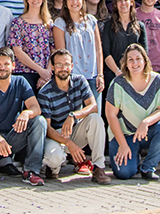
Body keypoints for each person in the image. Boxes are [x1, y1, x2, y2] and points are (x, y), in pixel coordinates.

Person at [0, 47, 48, 185]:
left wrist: (26, 113)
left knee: (40, 121)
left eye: (6, 64)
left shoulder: (20, 82)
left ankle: (31, 170)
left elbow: (36, 108)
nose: (2, 68)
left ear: (13, 66)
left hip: (13, 135)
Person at [38, 49, 111, 184]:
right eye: (59, 65)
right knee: (54, 158)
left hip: (74, 130)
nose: (63, 68)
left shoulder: (80, 81)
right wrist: (68, 143)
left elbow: (93, 106)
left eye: (66, 64)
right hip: (56, 135)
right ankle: (52, 168)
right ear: (52, 67)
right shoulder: (45, 92)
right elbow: (47, 128)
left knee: (95, 119)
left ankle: (99, 168)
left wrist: (73, 115)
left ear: (72, 66)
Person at [105, 44, 160, 180]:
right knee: (124, 173)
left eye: (138, 58)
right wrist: (123, 145)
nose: (135, 63)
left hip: (146, 132)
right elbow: (111, 115)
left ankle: (148, 167)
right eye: (130, 59)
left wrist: (146, 122)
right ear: (125, 63)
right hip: (124, 135)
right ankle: (133, 157)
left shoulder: (158, 80)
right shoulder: (118, 83)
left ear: (145, 61)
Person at [53, 0, 104, 101]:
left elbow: (98, 49)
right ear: (65, 2)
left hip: (93, 76)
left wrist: (100, 74)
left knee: (95, 115)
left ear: (83, 0)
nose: (74, 2)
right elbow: (61, 53)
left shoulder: (91, 21)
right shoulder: (60, 23)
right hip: (73, 77)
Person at [6, 0, 54, 90]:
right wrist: (40, 70)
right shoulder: (18, 22)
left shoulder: (49, 24)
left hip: (46, 76)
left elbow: (54, 50)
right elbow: (17, 51)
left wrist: (46, 73)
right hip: (24, 74)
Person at [101, 0, 147, 94]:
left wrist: (135, 72)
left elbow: (144, 54)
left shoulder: (140, 26)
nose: (123, 3)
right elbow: (106, 52)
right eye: (119, 0)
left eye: (126, 0)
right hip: (113, 74)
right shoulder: (109, 25)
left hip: (135, 74)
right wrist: (118, 72)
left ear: (131, 2)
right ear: (115, 5)